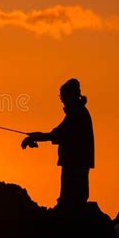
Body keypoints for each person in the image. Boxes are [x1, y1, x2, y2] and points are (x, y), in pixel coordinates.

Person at [21, 78, 94, 208]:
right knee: (72, 200)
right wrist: (37, 136)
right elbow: (58, 133)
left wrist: (36, 137)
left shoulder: (77, 114)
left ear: (72, 95)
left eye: (63, 95)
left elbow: (58, 134)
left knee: (71, 201)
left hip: (74, 164)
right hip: (76, 163)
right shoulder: (77, 112)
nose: (61, 99)